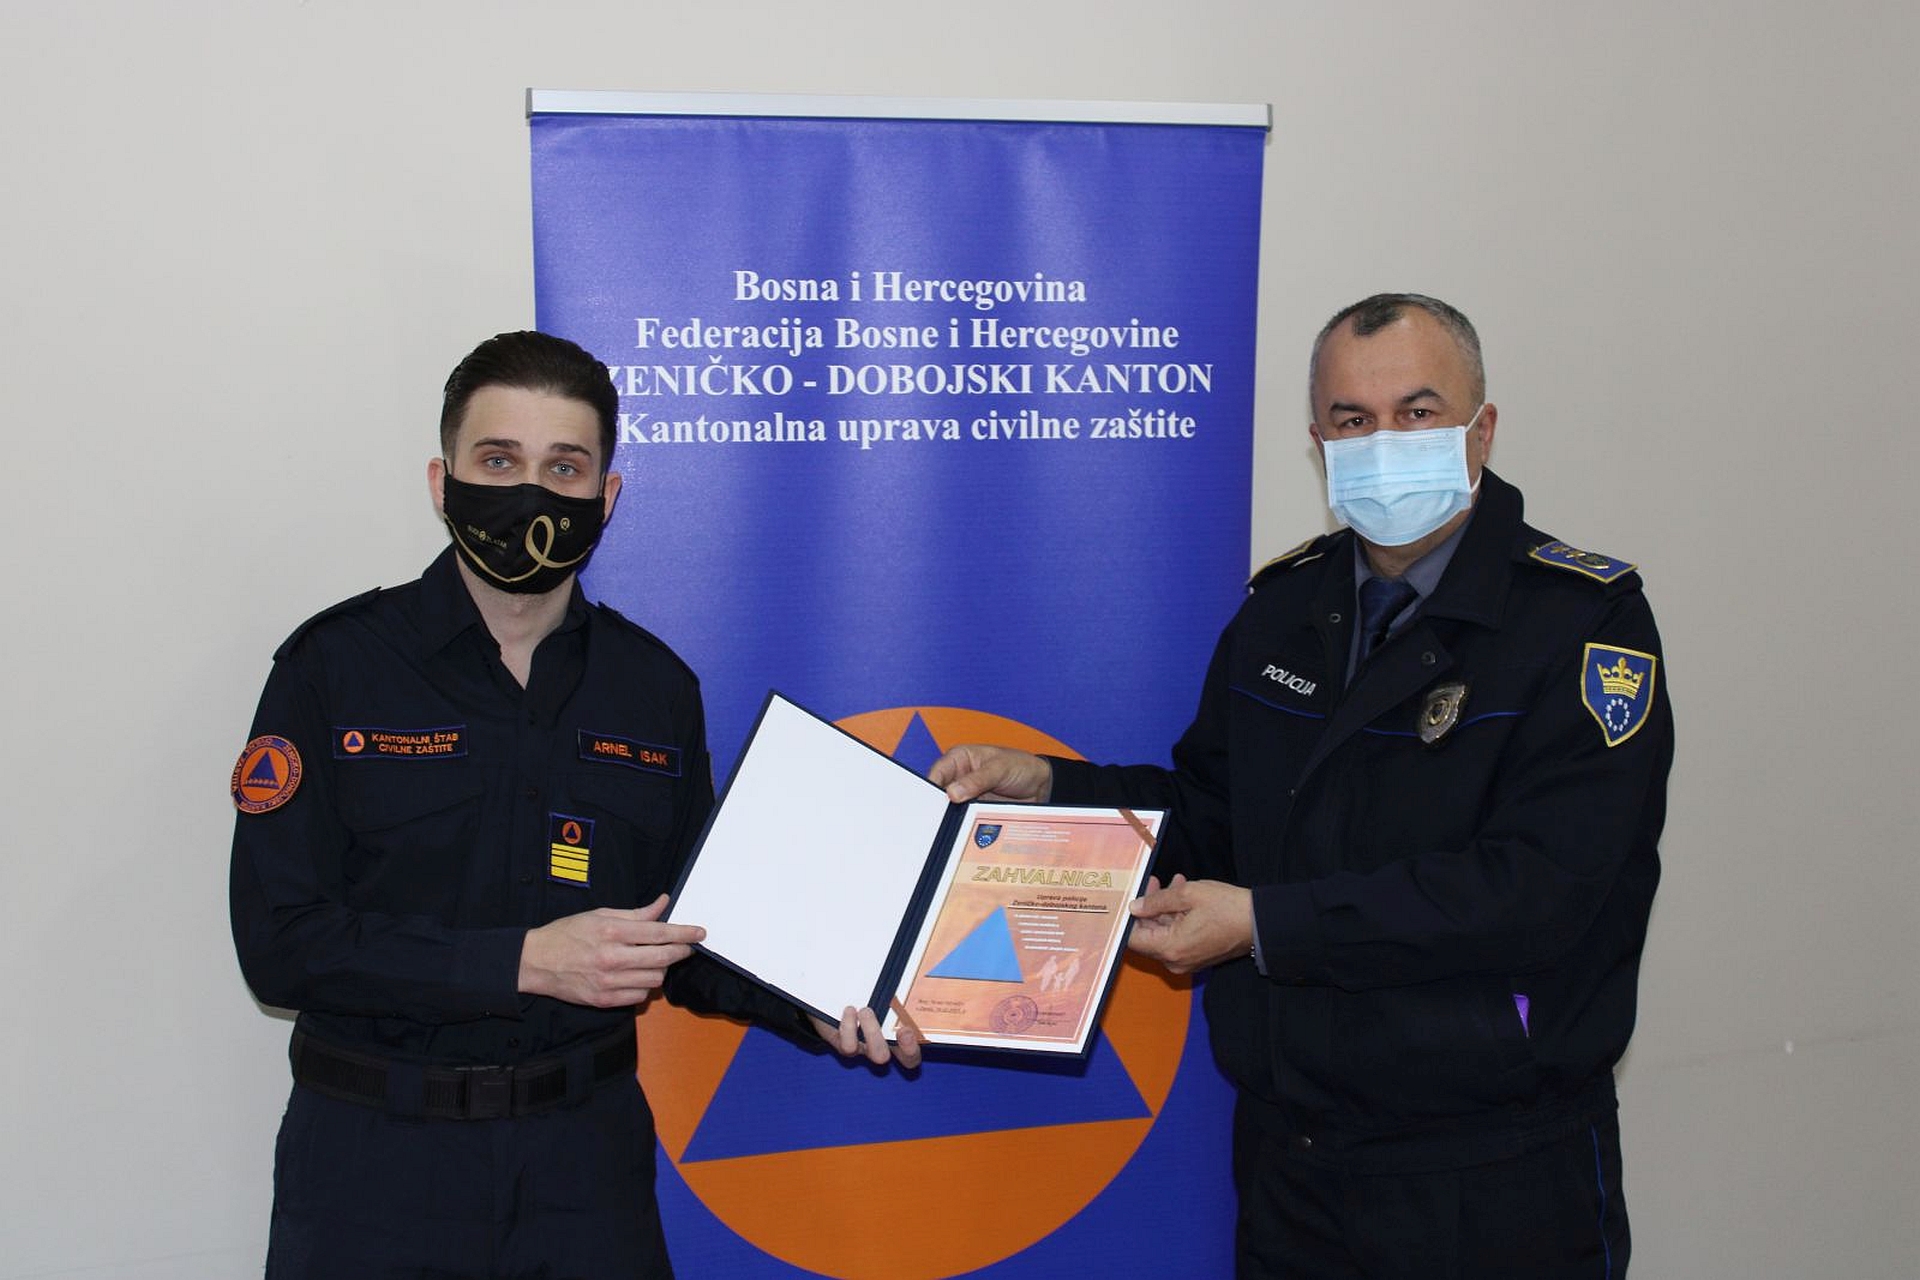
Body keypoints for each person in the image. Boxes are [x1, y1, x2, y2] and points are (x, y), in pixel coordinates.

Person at [932, 294, 1671, 1278]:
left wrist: (1263, 925)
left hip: (1493, 1167)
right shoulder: (1283, 609)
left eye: (1417, 412)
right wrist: (1050, 789)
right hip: (1295, 1165)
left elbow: (1536, 891)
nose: (1384, 442)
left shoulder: (1581, 624)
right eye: (1353, 420)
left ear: (1481, 429)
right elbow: (1213, 814)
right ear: (1319, 444)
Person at [230, 330, 917, 1279]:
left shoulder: (653, 688)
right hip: (374, 1165)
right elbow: (280, 942)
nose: (531, 494)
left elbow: (691, 932)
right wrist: (521, 961)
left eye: (564, 467)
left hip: (584, 1170)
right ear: (441, 482)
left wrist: (823, 997)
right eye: (497, 461)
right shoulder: (334, 668)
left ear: (608, 495)